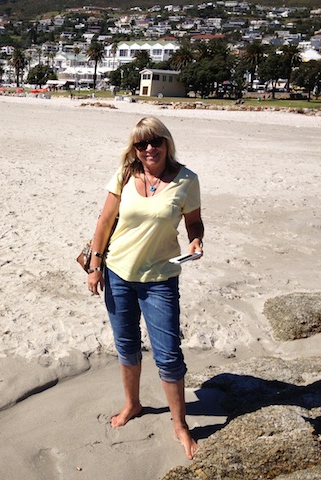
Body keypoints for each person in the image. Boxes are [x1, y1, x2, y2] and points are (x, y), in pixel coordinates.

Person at [87, 116, 204, 460]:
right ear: (134, 148)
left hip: (160, 280)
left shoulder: (187, 180)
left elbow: (194, 221)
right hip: (118, 274)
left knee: (168, 355)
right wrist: (95, 266)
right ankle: (133, 404)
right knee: (126, 345)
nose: (149, 148)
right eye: (141, 143)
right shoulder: (125, 174)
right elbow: (105, 221)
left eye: (155, 141)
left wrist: (196, 240)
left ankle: (180, 426)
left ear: (167, 142)